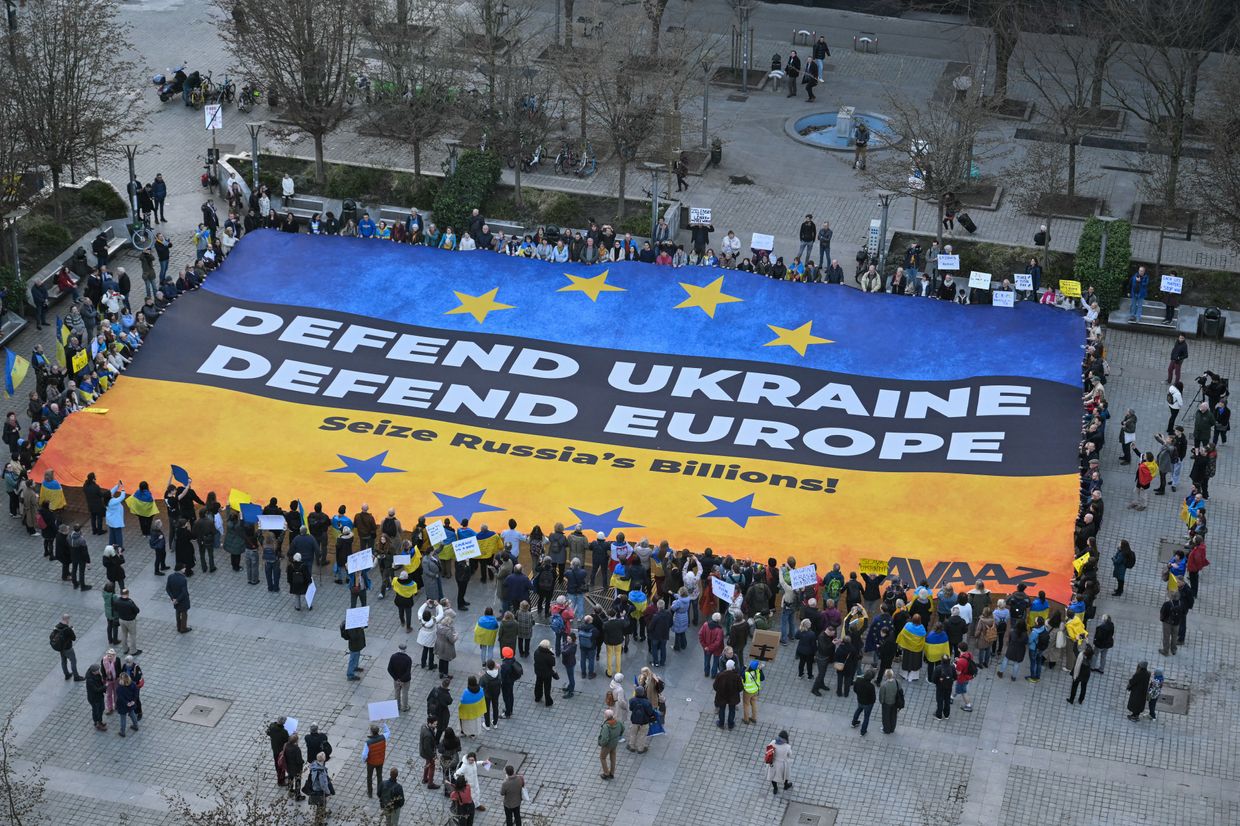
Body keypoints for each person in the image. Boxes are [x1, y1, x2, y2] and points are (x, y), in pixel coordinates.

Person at [712, 659, 742, 730]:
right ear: (732, 667)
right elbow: (740, 688)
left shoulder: (720, 675)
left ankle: (721, 723)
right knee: (732, 710)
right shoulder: (736, 676)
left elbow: (715, 686)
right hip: (733, 697)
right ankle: (730, 724)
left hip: (722, 696)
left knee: (722, 710)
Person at [363, 723, 389, 797]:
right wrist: (383, 724)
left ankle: (370, 793)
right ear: (378, 731)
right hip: (380, 761)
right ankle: (380, 792)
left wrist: (364, 760)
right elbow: (388, 732)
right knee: (379, 776)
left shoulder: (368, 742)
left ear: (371, 732)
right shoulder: (383, 737)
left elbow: (364, 755)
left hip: (371, 762)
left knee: (369, 777)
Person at [597, 708, 624, 780]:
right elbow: (623, 728)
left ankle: (606, 773)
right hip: (614, 743)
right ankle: (612, 773)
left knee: (602, 757)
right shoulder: (618, 722)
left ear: (606, 716)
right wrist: (618, 736)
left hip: (607, 745)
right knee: (613, 757)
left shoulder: (606, 726)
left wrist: (602, 744)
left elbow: (605, 738)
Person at [307, 751, 333, 825]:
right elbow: (323, 785)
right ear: (323, 759)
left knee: (320, 806)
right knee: (321, 806)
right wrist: (328, 792)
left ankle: (320, 818)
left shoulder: (314, 765)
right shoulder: (321, 771)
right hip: (319, 791)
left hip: (314, 788)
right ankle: (318, 823)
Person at [389, 643, 413, 712]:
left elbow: (389, 669)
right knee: (405, 693)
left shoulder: (393, 657)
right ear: (405, 650)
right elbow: (408, 672)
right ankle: (404, 707)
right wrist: (402, 680)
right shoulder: (408, 659)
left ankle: (397, 706)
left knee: (397, 692)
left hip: (396, 679)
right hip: (405, 680)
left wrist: (397, 679)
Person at [532, 639, 557, 707]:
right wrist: (552, 653)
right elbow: (553, 663)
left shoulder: (536, 652)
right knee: (547, 687)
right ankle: (548, 701)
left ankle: (537, 697)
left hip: (538, 672)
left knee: (538, 684)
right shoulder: (548, 655)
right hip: (547, 674)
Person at [283, 733, 306, 801]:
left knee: (290, 778)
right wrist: (302, 761)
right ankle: (297, 795)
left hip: (289, 766)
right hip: (297, 768)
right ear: (296, 741)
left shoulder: (286, 745)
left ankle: (290, 790)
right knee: (298, 780)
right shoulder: (296, 749)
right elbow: (299, 761)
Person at [115, 672, 140, 736]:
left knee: (123, 718)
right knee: (132, 714)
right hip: (131, 703)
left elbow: (120, 698)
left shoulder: (119, 688)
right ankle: (136, 726)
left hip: (122, 705)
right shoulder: (133, 684)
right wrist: (133, 701)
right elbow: (136, 693)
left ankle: (122, 732)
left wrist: (126, 703)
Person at [879, 668, 902, 733]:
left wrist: (882, 702)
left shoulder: (884, 685)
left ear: (886, 676)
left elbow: (881, 696)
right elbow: (900, 691)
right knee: (893, 716)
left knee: (886, 716)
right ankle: (892, 728)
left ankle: (886, 729)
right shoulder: (897, 682)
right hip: (895, 703)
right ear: (892, 675)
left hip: (887, 703)